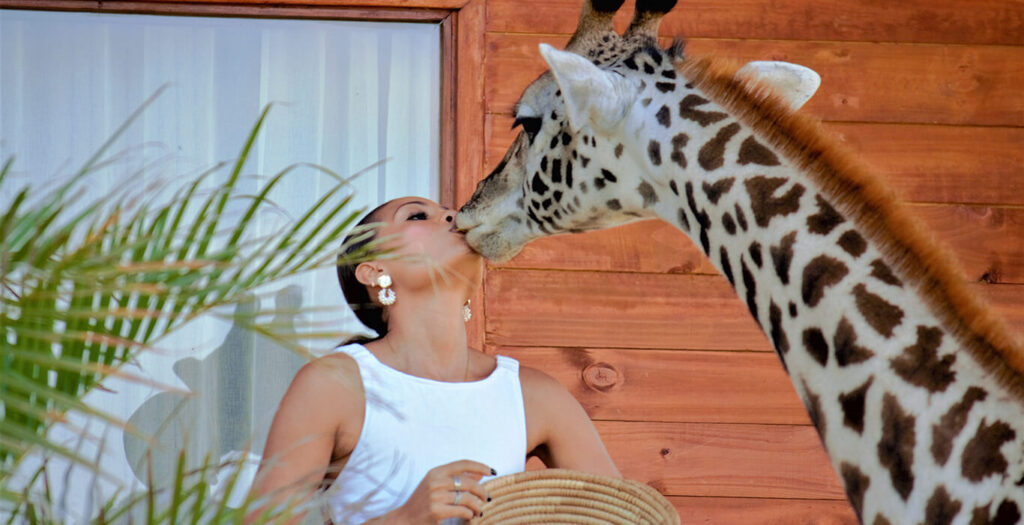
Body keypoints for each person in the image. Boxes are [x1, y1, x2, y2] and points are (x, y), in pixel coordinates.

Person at [246, 197, 619, 524]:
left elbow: (629, 515)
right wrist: (405, 520)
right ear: (374, 271)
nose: (452, 216)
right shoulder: (336, 384)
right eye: (416, 216)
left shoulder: (534, 396)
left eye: (447, 212)